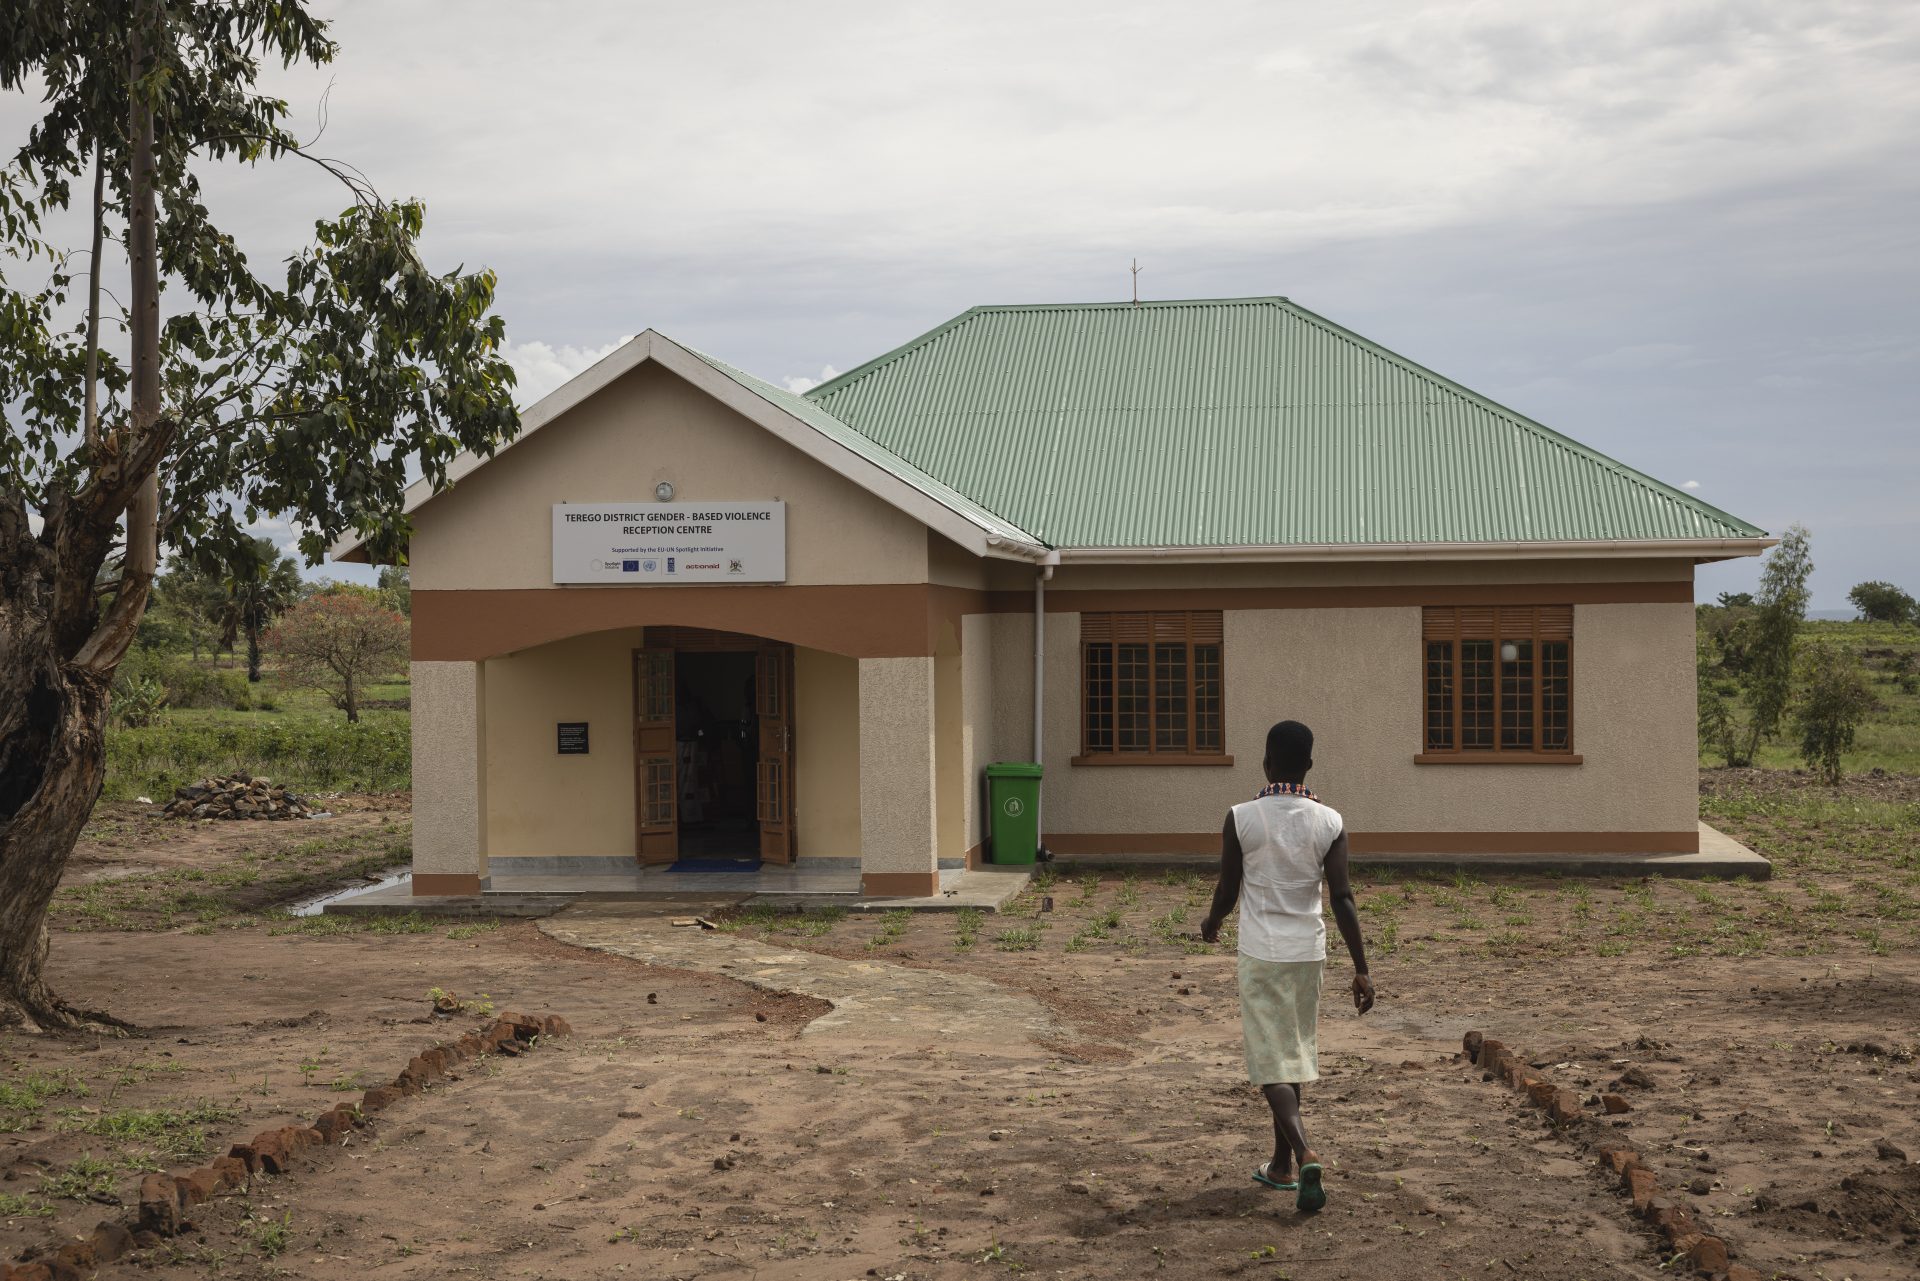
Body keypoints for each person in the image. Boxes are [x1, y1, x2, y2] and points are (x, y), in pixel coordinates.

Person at [1202, 719, 1374, 1213]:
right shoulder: (1329, 822)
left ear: (1266, 762)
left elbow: (1227, 889)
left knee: (1269, 1062)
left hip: (1261, 952)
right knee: (1292, 1053)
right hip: (1308, 954)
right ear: (1310, 766)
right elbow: (1342, 897)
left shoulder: (1242, 817)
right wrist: (1361, 967)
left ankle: (1303, 1154)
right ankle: (1279, 1165)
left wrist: (1212, 920)